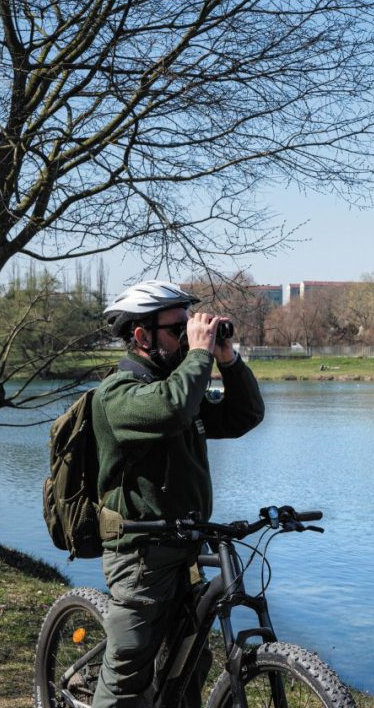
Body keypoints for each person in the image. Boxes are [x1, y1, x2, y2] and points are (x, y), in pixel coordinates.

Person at [92, 279, 265, 708]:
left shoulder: (179, 387)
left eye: (192, 326)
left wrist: (227, 359)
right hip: (140, 556)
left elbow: (243, 415)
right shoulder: (119, 394)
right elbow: (172, 409)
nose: (190, 336)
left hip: (184, 547)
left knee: (186, 665)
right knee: (126, 677)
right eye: (178, 329)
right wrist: (201, 355)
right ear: (140, 336)